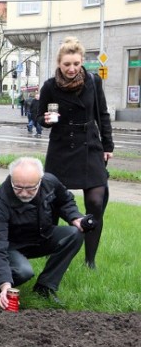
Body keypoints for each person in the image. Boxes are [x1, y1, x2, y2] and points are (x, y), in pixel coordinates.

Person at [37, 36, 113, 269]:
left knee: (96, 201)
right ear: (59, 63)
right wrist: (47, 120)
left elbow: (103, 114)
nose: (71, 69)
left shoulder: (93, 81)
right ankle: (55, 251)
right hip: (61, 148)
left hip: (90, 146)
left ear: (82, 63)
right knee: (53, 203)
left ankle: (90, 261)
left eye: (76, 64)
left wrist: (108, 145)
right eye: (67, 64)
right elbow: (39, 118)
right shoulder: (50, 86)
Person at [0, 157, 89, 309]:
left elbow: (65, 201)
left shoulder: (50, 182)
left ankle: (45, 287)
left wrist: (75, 217)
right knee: (23, 272)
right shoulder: (0, 197)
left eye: (31, 188)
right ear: (12, 179)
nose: (24, 193)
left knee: (74, 234)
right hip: (10, 245)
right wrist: (4, 283)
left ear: (41, 180)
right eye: (18, 187)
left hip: (41, 237)